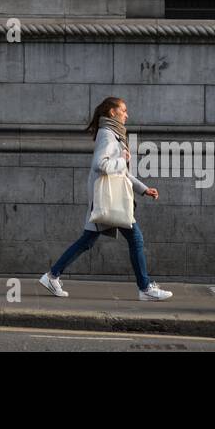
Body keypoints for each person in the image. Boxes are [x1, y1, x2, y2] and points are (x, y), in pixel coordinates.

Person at [39, 96, 173, 301]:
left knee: (87, 241)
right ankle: (145, 288)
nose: (127, 114)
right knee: (135, 239)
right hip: (109, 200)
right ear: (112, 112)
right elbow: (100, 165)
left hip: (111, 199)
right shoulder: (108, 135)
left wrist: (143, 189)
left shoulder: (114, 135)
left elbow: (122, 174)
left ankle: (52, 275)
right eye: (124, 110)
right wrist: (122, 160)